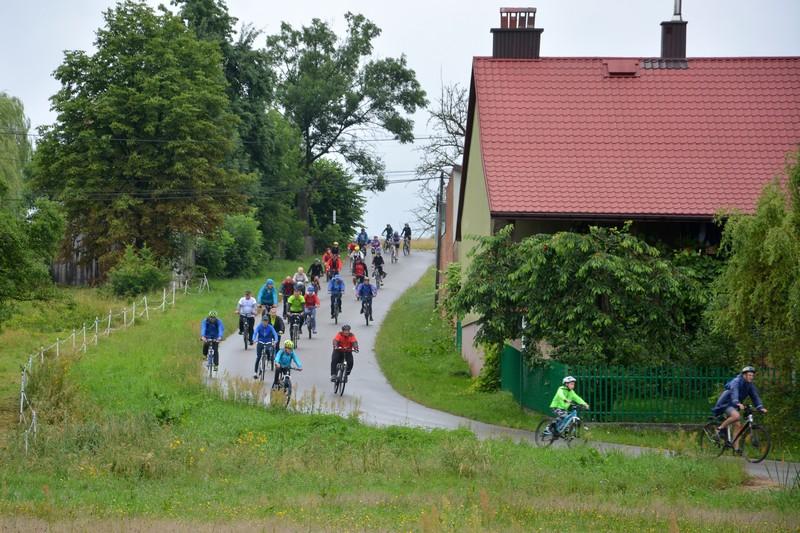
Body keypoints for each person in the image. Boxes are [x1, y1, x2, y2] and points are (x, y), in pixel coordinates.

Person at [712, 366, 767, 446]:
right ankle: (719, 429)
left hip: (734, 405)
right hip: (725, 403)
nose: (751, 377)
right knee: (736, 416)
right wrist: (737, 402)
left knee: (738, 426)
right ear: (744, 375)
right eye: (749, 375)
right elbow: (734, 392)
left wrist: (760, 407)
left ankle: (736, 448)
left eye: (752, 375)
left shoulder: (749, 385)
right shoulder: (736, 381)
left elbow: (755, 396)